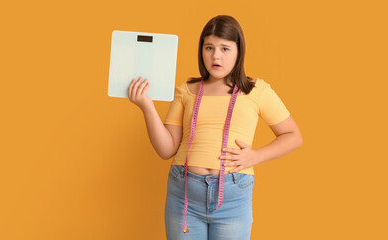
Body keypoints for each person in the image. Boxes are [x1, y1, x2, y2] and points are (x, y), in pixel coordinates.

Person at [128, 15, 302, 240]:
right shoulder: (186, 90)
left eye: (225, 48)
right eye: (209, 47)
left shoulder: (257, 90)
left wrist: (255, 156)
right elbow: (166, 149)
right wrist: (146, 106)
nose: (216, 56)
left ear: (239, 51)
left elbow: (293, 136)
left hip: (233, 198)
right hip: (184, 196)